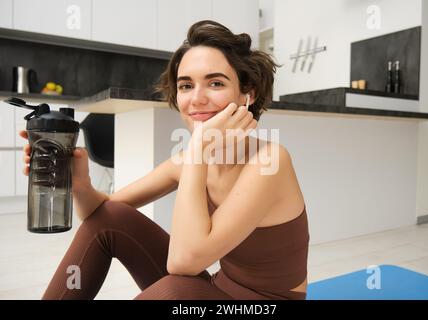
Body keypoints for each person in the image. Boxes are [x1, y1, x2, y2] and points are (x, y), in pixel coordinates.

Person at [20, 20, 309, 300]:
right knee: (112, 217)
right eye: (185, 86)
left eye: (216, 83)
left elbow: (183, 263)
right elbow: (100, 217)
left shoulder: (270, 161)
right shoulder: (187, 160)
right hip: (218, 288)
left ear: (248, 93)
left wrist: (198, 149)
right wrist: (81, 186)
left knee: (174, 291)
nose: (196, 99)